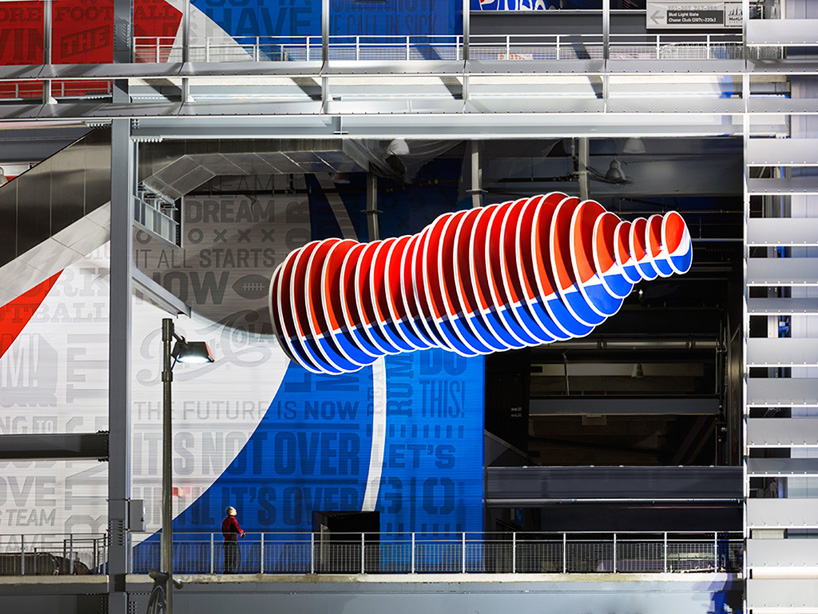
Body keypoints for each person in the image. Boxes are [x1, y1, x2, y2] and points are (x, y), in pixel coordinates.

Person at [221, 506, 245, 573]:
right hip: (232, 540)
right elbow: (237, 529)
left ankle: (226, 571)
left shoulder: (224, 521)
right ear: (232, 512)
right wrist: (242, 532)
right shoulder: (233, 520)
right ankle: (232, 571)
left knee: (227, 558)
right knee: (234, 557)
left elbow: (223, 531)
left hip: (226, 541)